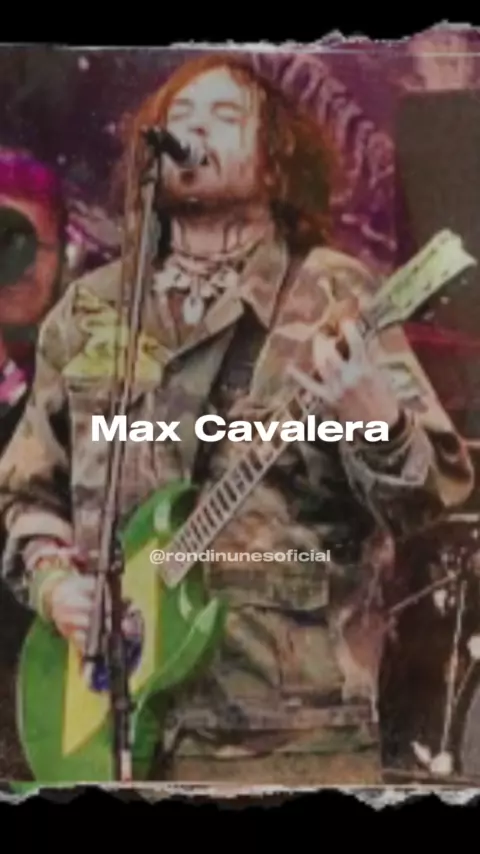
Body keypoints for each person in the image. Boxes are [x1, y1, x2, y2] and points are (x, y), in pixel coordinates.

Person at [0, 53, 473, 787]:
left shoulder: (334, 295)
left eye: (225, 117)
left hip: (286, 740)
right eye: (181, 117)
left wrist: (375, 418)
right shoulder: (90, 311)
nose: (195, 130)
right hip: (107, 723)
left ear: (274, 155)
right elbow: (26, 490)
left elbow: (432, 497)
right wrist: (55, 582)